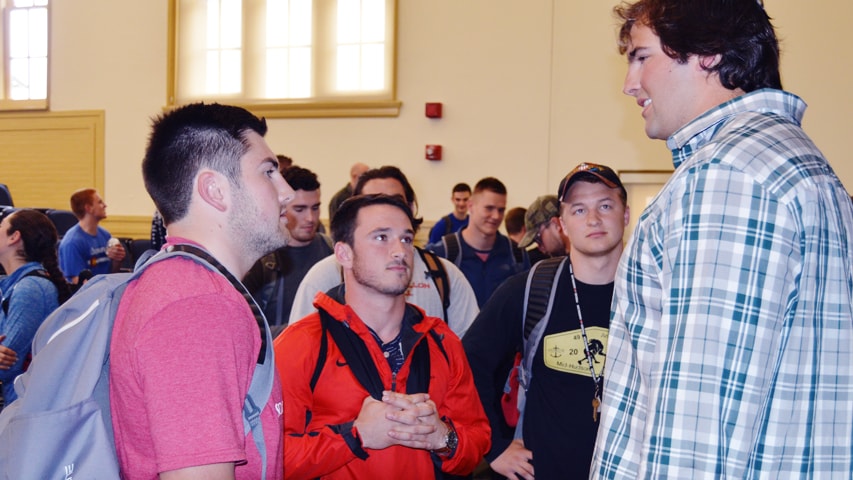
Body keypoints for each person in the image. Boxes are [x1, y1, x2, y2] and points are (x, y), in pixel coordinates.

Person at [592, 1, 853, 478]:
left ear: (708, 52)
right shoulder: (794, 166)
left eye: (641, 56)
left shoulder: (727, 177)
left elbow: (698, 431)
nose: (629, 83)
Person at [109, 102, 295, 479]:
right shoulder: (198, 307)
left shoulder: (178, 283)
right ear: (214, 190)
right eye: (269, 172)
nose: (287, 192)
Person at [275, 193, 490, 479]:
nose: (399, 251)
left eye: (405, 238)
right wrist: (354, 436)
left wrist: (443, 439)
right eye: (381, 238)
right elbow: (271, 458)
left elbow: (476, 442)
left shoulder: (441, 341)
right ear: (344, 254)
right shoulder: (300, 345)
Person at [464, 164, 628, 480]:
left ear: (626, 213)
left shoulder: (652, 294)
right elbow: (469, 363)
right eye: (579, 210)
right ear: (562, 224)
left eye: (605, 205)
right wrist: (495, 447)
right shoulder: (529, 289)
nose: (593, 219)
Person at [290, 166, 480, 339]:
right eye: (373, 201)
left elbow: (470, 352)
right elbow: (300, 352)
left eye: (395, 202)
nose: (386, 211)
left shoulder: (446, 276)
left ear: (411, 208)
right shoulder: (323, 276)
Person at [243, 165, 333, 336]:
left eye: (315, 208)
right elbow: (249, 331)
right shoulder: (260, 262)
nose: (310, 218)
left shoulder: (333, 253)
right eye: (299, 209)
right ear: (282, 207)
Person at [0, 209, 72, 407]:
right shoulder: (11, 284)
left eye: (1, 227)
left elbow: (6, 366)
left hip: (24, 408)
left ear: (14, 237)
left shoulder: (29, 289)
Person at [427, 177, 529, 307]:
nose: (496, 216)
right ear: (471, 206)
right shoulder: (442, 254)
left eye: (501, 210)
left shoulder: (517, 255)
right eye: (489, 208)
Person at [58, 188, 126, 283]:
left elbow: (112, 273)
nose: (105, 205)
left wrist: (117, 259)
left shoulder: (105, 235)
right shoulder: (72, 242)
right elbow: (77, 281)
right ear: (89, 208)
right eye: (100, 202)